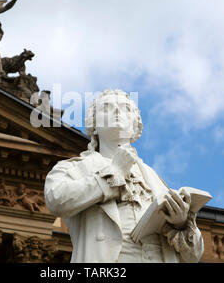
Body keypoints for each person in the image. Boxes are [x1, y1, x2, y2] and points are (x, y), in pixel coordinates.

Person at [44, 89, 204, 263]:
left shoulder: (154, 179)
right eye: (107, 107)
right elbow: (56, 199)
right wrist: (113, 174)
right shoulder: (74, 168)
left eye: (126, 108)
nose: (118, 112)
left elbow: (194, 257)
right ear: (94, 125)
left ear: (136, 125)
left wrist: (180, 224)